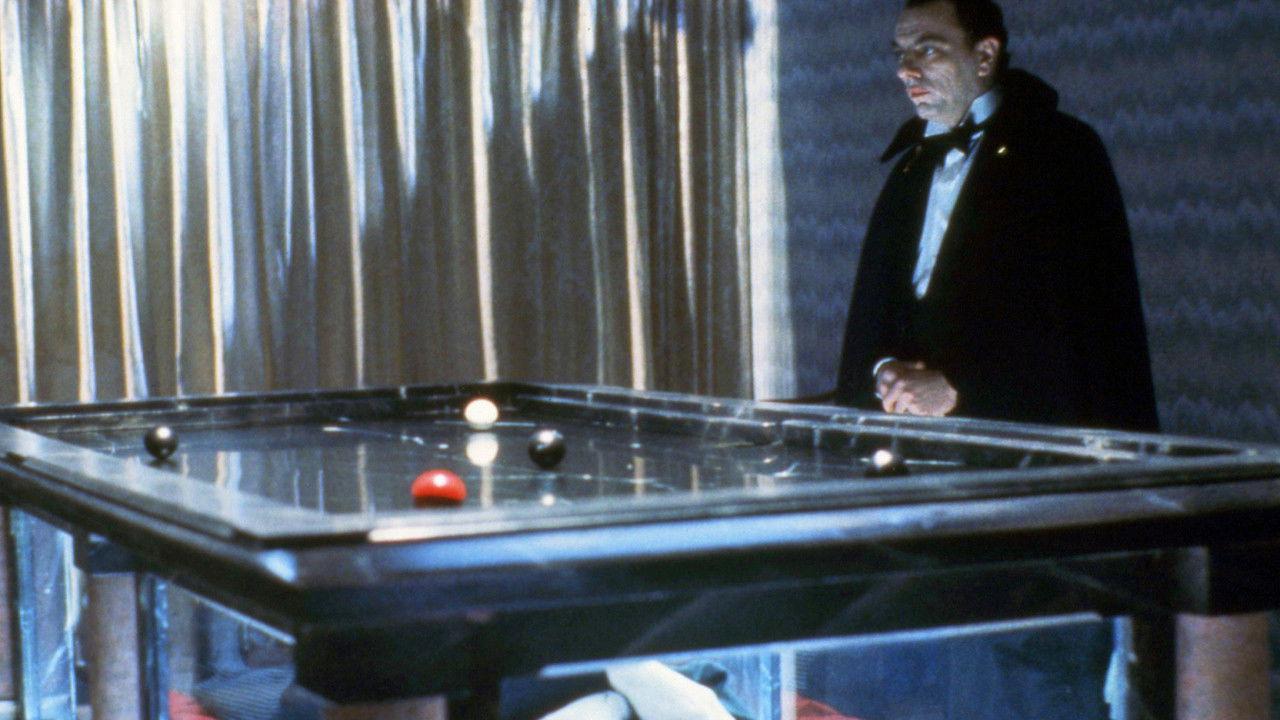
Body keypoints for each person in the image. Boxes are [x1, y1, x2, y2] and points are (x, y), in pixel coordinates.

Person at [834, 0, 1158, 432]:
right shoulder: (909, 170)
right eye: (901, 54)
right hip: (913, 445)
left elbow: (1083, 324)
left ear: (985, 55)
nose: (905, 70)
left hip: (1028, 449)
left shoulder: (1062, 152)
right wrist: (884, 369)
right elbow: (876, 312)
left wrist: (960, 386)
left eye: (927, 49)